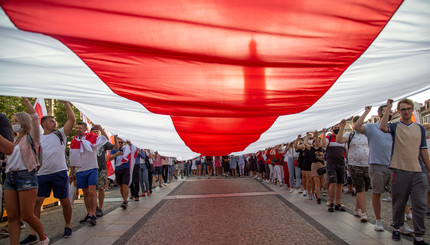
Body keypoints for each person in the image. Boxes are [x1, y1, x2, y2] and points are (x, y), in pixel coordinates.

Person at [20, 101, 75, 244]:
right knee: (37, 202)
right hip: (42, 174)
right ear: (43, 124)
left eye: (55, 121)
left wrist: (66, 102)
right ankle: (33, 234)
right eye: (51, 121)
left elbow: (72, 120)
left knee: (65, 202)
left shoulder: (60, 134)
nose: (55, 123)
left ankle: (68, 226)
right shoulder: (37, 137)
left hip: (59, 173)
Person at [380, 99, 430, 244]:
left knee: (420, 203)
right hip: (400, 170)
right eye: (403, 109)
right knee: (399, 202)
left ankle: (419, 235)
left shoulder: (419, 128)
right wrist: (388, 108)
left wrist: (429, 169)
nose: (406, 111)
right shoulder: (395, 126)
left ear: (412, 109)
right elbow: (383, 127)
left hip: (418, 171)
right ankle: (396, 227)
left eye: (408, 109)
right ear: (399, 111)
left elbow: (424, 151)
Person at [4, 97, 49, 245]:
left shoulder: (32, 137)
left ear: (23, 122)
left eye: (16, 121)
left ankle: (43, 238)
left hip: (26, 177)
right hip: (9, 178)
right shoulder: (12, 140)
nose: (14, 123)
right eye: (13, 121)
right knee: (12, 216)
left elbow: (35, 118)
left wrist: (26, 102)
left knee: (27, 215)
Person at [354, 105, 405, 232]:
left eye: (389, 112)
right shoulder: (372, 127)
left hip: (393, 165)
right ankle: (378, 221)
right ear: (379, 114)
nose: (387, 113)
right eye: (385, 111)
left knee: (398, 195)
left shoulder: (394, 127)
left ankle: (398, 222)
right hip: (376, 164)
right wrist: (366, 112)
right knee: (377, 192)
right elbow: (357, 126)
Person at [69, 122, 108, 225]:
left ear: (85, 129)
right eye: (76, 128)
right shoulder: (74, 141)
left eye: (80, 128)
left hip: (92, 168)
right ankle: (89, 213)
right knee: (85, 193)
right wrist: (71, 173)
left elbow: (105, 139)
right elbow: (72, 159)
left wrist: (100, 128)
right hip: (81, 170)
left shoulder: (92, 138)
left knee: (91, 192)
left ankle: (94, 214)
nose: (78, 130)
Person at [337, 117, 370, 222]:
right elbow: (339, 140)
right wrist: (342, 128)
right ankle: (364, 213)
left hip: (367, 165)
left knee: (364, 189)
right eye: (358, 122)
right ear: (353, 124)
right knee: (360, 188)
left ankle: (356, 209)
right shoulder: (350, 135)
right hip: (354, 165)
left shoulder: (367, 135)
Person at [90, 128, 116, 217]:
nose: (96, 132)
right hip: (91, 167)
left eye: (97, 131)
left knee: (101, 188)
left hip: (102, 168)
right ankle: (94, 207)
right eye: (94, 131)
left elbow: (112, 145)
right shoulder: (88, 140)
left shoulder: (103, 141)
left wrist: (101, 128)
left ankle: (100, 207)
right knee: (92, 190)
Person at [321, 125, 347, 212]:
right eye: (335, 127)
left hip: (341, 163)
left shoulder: (343, 138)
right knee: (332, 182)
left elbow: (346, 151)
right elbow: (324, 144)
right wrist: (324, 133)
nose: (337, 129)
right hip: (331, 163)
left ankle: (338, 203)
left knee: (340, 183)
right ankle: (331, 202)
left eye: (339, 127)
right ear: (332, 129)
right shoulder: (329, 137)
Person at [109, 138, 130, 208]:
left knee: (125, 185)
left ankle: (125, 200)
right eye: (119, 142)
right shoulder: (114, 149)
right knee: (121, 186)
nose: (120, 144)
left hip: (126, 168)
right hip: (118, 169)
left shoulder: (126, 148)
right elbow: (109, 158)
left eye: (121, 142)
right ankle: (124, 199)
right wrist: (116, 154)